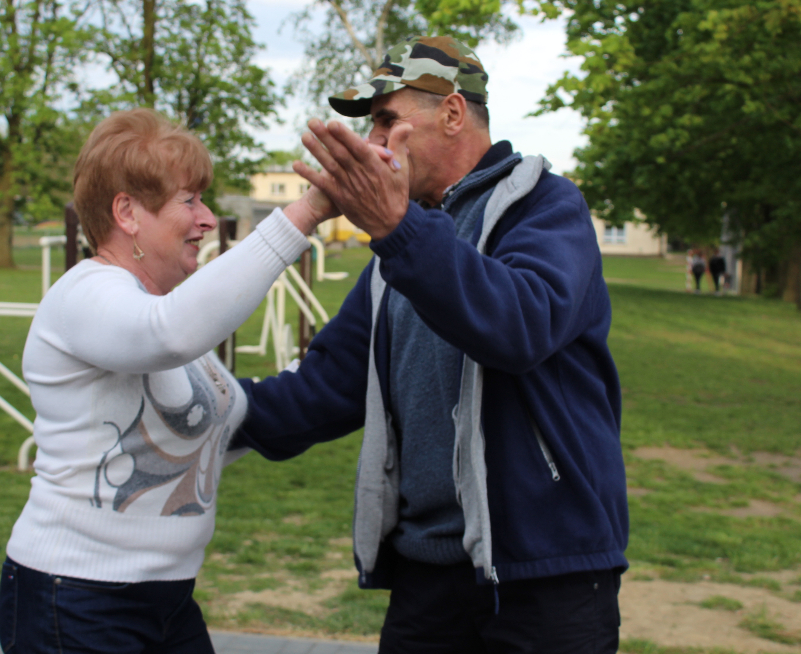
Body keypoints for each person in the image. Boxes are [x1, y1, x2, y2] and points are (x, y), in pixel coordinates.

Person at [235, 37, 627, 653]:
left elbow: (520, 325)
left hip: (546, 573)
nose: (372, 143)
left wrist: (398, 229)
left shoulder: (547, 207)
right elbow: (329, 386)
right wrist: (207, 409)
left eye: (386, 120)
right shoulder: (401, 247)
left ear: (452, 112)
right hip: (428, 576)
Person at [0, 109, 335, 654]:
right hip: (74, 600)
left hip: (166, 601)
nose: (207, 219)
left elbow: (227, 421)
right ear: (127, 212)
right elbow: (170, 334)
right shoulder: (85, 295)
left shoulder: (157, 315)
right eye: (190, 200)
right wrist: (307, 211)